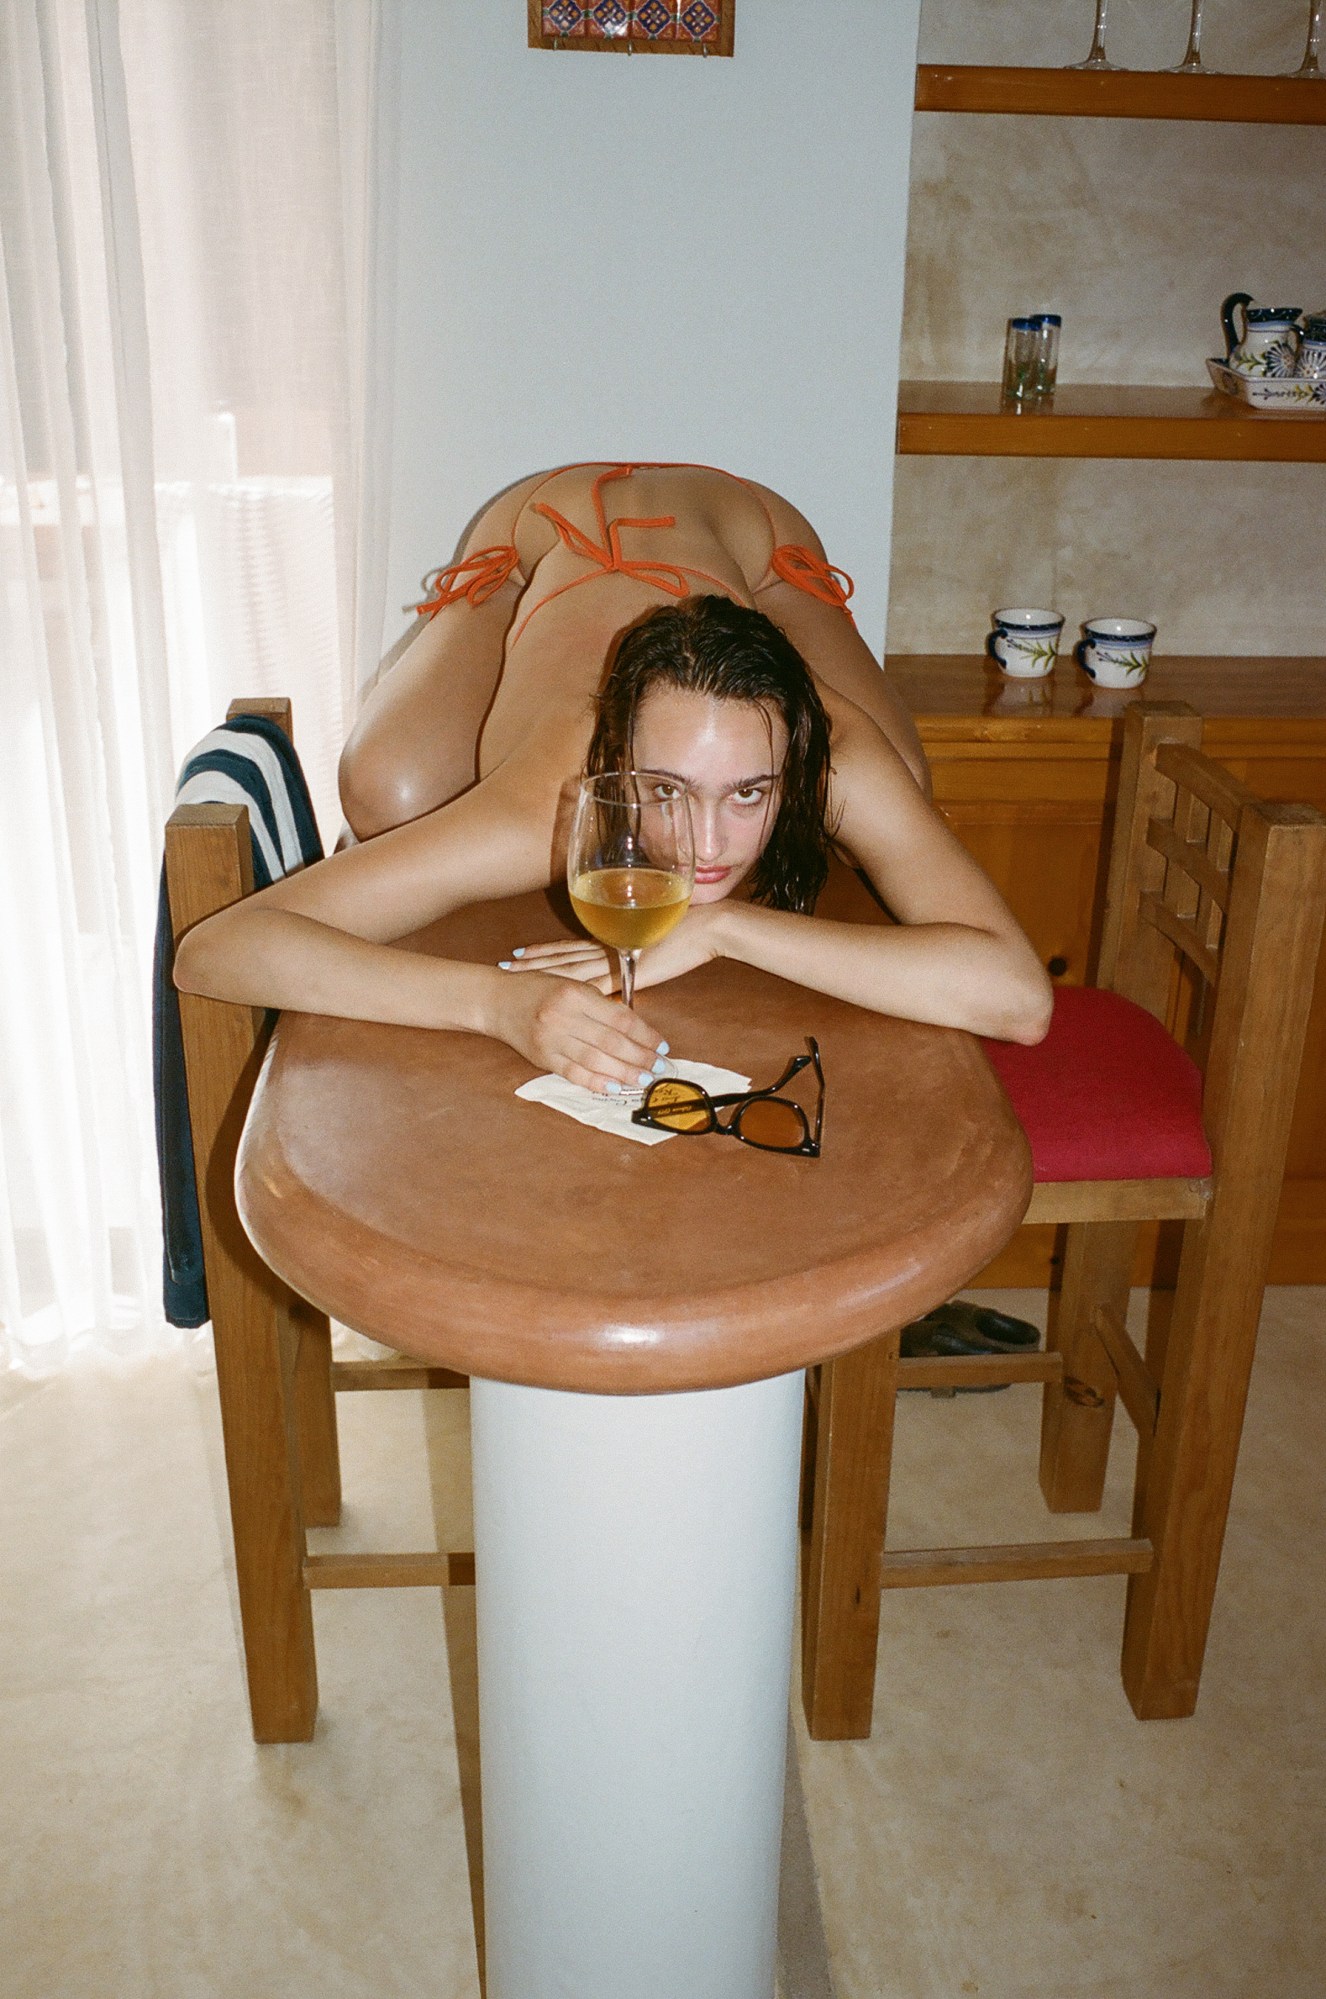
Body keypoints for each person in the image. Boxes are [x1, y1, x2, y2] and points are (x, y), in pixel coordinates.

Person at [173, 462, 1052, 1088]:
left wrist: (723, 932)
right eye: (667, 790)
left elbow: (1016, 998)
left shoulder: (835, 751)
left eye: (750, 792)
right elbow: (217, 950)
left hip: (743, 526)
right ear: (617, 762)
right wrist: (498, 1005)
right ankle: (522, 567)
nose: (706, 849)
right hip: (556, 523)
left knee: (907, 779)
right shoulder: (552, 797)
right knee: (389, 790)